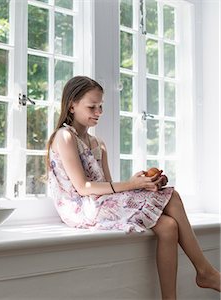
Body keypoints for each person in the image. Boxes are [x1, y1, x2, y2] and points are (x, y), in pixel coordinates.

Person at [46, 76, 221, 299]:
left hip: (99, 202)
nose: (98, 111)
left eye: (101, 106)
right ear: (72, 105)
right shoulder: (64, 136)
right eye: (92, 106)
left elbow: (108, 186)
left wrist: (141, 184)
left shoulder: (98, 143)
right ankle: (206, 272)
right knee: (172, 196)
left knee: (168, 227)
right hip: (81, 208)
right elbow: (83, 187)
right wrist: (132, 185)